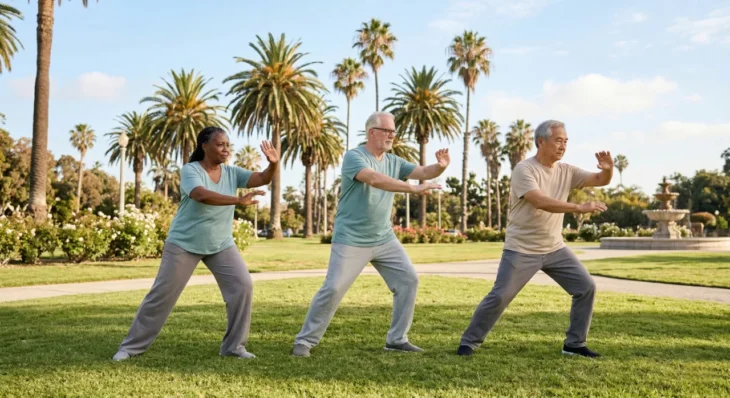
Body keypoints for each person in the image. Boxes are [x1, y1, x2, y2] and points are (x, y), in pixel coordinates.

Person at [112, 126, 279, 361]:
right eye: (220, 144)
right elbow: (201, 195)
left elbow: (263, 178)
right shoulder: (191, 170)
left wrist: (272, 164)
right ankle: (130, 347)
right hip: (184, 243)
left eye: (228, 145)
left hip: (220, 244)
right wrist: (237, 200)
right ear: (204, 146)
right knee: (162, 295)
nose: (226, 149)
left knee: (243, 286)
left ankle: (234, 347)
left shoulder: (231, 172)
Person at [291, 111, 447, 357]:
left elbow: (425, 173)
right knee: (333, 289)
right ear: (372, 132)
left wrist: (440, 166)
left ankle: (397, 340)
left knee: (408, 281)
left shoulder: (395, 161)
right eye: (387, 131)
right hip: (351, 239)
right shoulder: (355, 157)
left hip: (384, 238)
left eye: (394, 132)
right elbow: (374, 179)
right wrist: (412, 188)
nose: (392, 135)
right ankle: (304, 341)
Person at [457, 119, 612, 358]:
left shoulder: (567, 170)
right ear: (541, 141)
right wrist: (579, 207)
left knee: (586, 287)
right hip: (521, 249)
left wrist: (608, 169)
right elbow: (539, 200)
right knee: (500, 296)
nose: (563, 146)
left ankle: (574, 344)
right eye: (558, 140)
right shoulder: (524, 169)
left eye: (566, 141)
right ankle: (469, 342)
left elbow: (601, 180)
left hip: (555, 249)